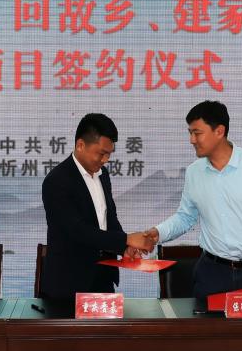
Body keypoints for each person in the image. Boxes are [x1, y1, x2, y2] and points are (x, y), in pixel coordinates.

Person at [145, 101, 242, 298]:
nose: (192, 140)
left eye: (197, 133)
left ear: (219, 131)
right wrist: (158, 233)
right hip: (212, 273)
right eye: (190, 133)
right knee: (206, 320)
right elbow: (185, 217)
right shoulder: (194, 172)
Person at [39, 113, 156, 299]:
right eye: (101, 153)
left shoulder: (103, 175)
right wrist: (126, 239)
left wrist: (124, 248)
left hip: (103, 279)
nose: (105, 160)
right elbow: (77, 231)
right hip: (68, 285)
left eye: (109, 154)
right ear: (80, 145)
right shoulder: (57, 181)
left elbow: (109, 219)